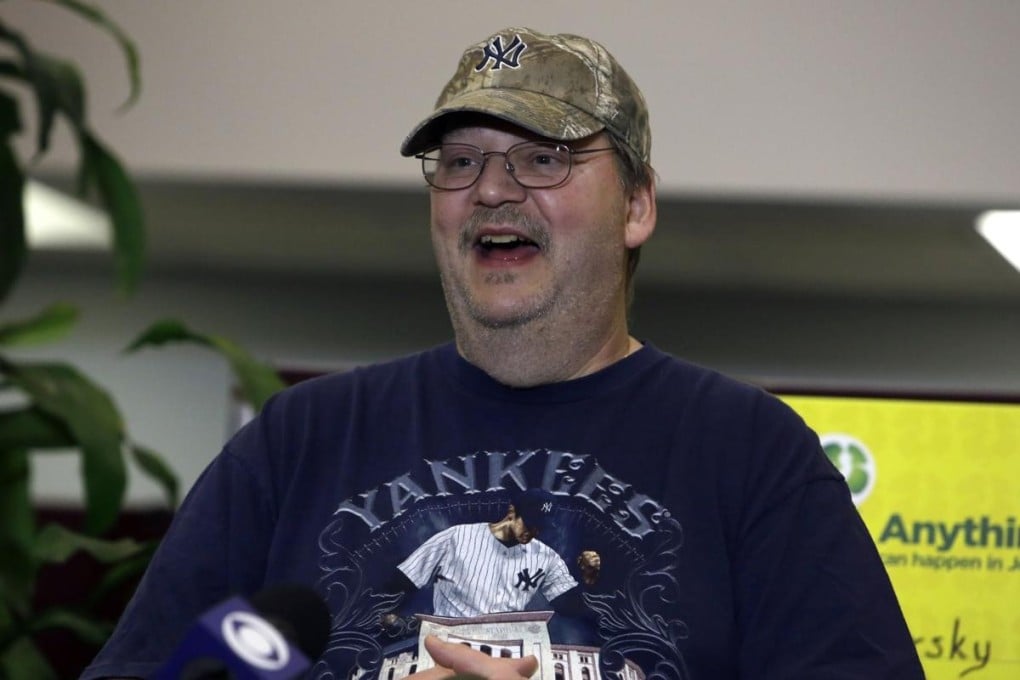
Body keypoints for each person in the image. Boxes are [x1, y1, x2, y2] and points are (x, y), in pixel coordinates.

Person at [82, 27, 924, 679]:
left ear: (636, 204)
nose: (491, 188)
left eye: (543, 157)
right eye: (459, 161)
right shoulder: (296, 443)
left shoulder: (750, 453)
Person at [386, 488, 600, 620]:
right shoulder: (457, 537)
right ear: (511, 512)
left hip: (506, 651)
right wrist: (391, 616)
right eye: (530, 523)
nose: (533, 531)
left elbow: (569, 607)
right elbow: (403, 582)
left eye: (539, 527)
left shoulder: (546, 557)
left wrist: (588, 579)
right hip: (451, 641)